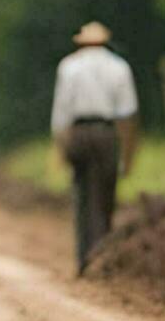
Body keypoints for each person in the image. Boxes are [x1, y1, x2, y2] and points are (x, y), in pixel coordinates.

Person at [50, 22, 138, 274]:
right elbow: (127, 114)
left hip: (78, 132)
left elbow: (61, 113)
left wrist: (61, 146)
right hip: (105, 132)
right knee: (105, 194)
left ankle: (83, 258)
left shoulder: (68, 66)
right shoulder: (119, 67)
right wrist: (127, 156)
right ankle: (103, 254)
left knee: (82, 192)